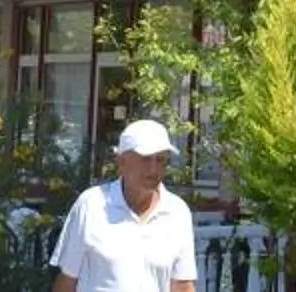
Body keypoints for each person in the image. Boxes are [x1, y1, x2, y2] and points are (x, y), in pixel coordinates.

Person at [51, 119, 198, 292]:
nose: (153, 168)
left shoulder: (177, 212)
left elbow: (181, 285)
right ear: (121, 162)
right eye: (145, 159)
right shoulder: (91, 204)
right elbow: (67, 280)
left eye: (160, 160)